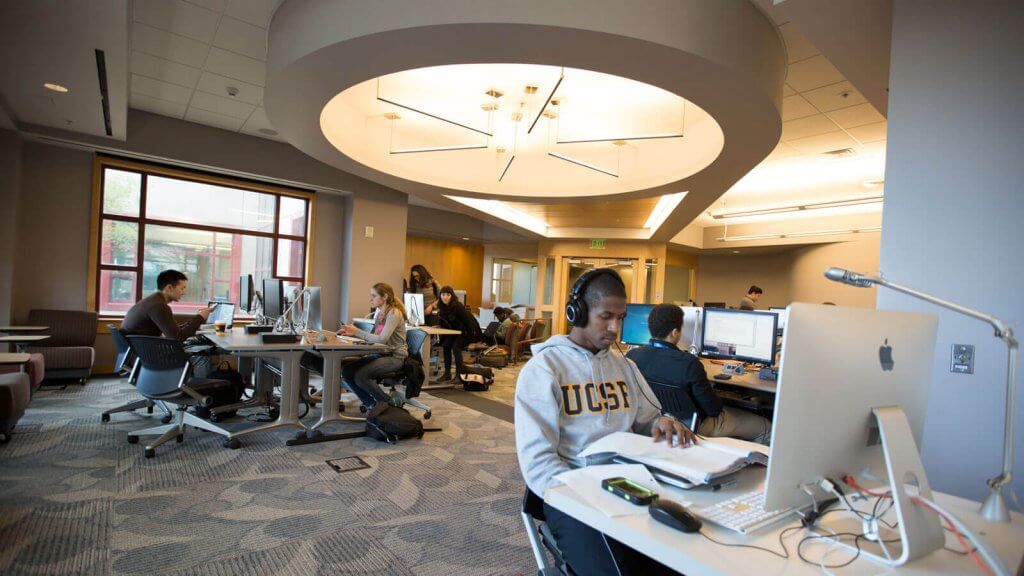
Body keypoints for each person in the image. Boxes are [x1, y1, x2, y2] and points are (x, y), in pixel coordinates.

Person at [515, 268, 696, 576]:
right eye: (606, 316)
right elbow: (538, 464)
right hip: (570, 495)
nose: (615, 327)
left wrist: (662, 424)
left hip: (629, 485)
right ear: (579, 312)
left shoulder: (625, 366)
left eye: (621, 317)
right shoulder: (544, 369)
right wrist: (588, 493)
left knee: (681, 561)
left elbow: (648, 422)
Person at [627, 304, 771, 444]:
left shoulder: (632, 356)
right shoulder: (688, 362)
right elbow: (713, 411)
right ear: (675, 332)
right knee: (766, 427)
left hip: (657, 423)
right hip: (694, 426)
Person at [336, 282, 409, 408]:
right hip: (381, 354)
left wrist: (357, 331)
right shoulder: (380, 314)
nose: (371, 299)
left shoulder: (394, 313)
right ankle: (371, 404)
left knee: (361, 375)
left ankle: (387, 403)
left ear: (385, 297)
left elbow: (382, 339)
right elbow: (374, 339)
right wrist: (351, 334)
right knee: (347, 371)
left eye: (374, 296)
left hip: (395, 357)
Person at [120, 270, 216, 340]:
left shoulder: (153, 301)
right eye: (182, 288)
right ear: (169, 287)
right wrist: (200, 317)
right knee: (203, 354)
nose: (183, 293)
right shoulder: (159, 306)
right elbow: (178, 337)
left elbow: (174, 331)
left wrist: (198, 318)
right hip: (151, 355)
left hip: (142, 352)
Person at [436, 286, 482, 383]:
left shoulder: (458, 307)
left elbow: (469, 323)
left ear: (452, 296)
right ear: (440, 296)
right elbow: (446, 323)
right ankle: (447, 373)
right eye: (443, 295)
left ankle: (459, 375)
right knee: (446, 346)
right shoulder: (442, 307)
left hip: (465, 333)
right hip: (455, 333)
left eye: (448, 295)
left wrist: (470, 340)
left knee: (456, 348)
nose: (445, 297)